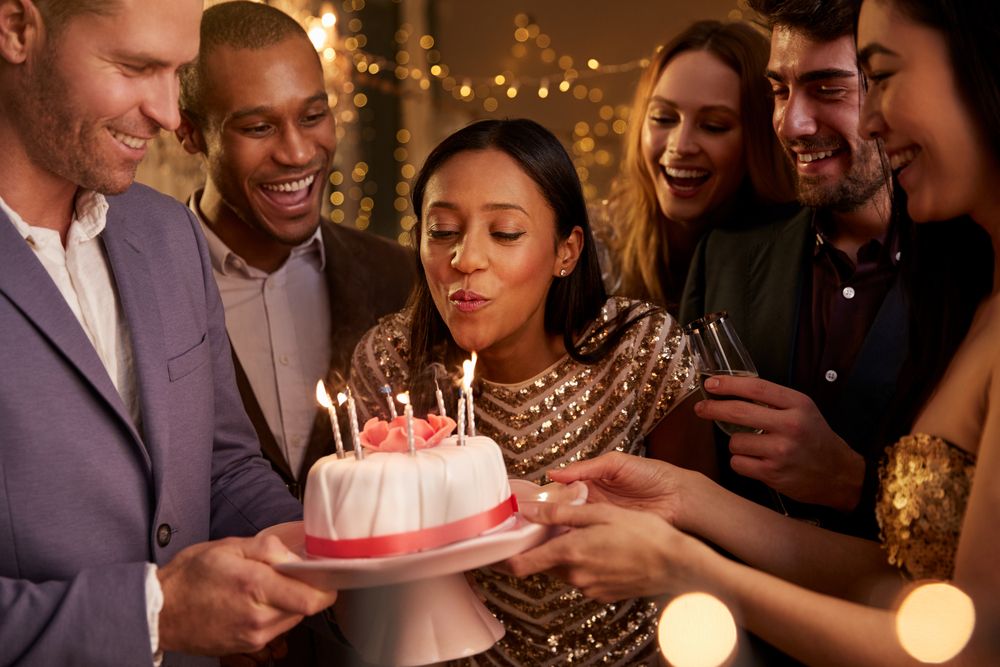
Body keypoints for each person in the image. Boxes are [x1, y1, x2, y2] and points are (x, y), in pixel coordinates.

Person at [509, 0, 1000, 664]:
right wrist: (685, 499)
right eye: (776, 91)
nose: (791, 123)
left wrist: (685, 564)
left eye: (867, 80)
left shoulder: (955, 273)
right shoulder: (982, 292)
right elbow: (909, 588)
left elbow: (971, 645)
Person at [0, 1, 336, 664]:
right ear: (16, 29)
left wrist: (348, 547)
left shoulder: (167, 232)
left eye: (176, 72)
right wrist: (155, 614)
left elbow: (222, 465)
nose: (168, 112)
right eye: (135, 67)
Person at [348, 118, 714, 665]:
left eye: (505, 233)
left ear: (566, 251)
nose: (465, 259)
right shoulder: (391, 361)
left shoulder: (639, 351)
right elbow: (361, 568)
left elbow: (705, 552)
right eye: (443, 230)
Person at [679, 0, 990, 537]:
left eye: (828, 89)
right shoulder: (722, 256)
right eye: (779, 90)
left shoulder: (974, 271)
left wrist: (850, 481)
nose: (791, 123)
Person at [176, 1, 414, 501]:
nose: (299, 152)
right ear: (190, 132)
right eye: (259, 127)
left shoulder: (401, 278)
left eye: (312, 116)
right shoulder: (146, 289)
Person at [597, 19, 796, 312]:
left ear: (759, 140)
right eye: (663, 118)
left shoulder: (797, 262)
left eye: (713, 126)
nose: (680, 145)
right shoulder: (596, 252)